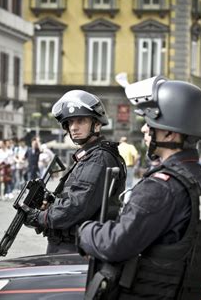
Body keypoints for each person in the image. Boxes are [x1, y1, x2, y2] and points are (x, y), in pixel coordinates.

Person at [78, 75, 201, 299]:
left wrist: (85, 232)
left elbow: (117, 243)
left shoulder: (161, 186)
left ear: (170, 132)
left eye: (151, 123)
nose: (145, 129)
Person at [22, 90, 126, 254]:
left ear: (97, 124)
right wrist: (51, 202)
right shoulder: (90, 155)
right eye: (70, 123)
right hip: (71, 244)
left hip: (76, 248)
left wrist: (39, 217)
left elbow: (77, 206)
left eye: (80, 121)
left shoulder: (98, 158)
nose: (74, 127)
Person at [118, 136, 139, 202]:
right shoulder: (130, 147)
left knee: (119, 184)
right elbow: (136, 156)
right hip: (129, 167)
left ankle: (119, 201)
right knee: (129, 185)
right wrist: (134, 164)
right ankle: (126, 202)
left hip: (119, 167)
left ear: (120, 141)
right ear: (127, 141)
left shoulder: (118, 147)